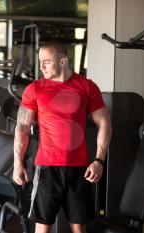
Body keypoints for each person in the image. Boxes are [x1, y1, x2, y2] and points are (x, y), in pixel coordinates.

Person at [13, 40, 112, 233]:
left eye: (47, 61)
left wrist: (99, 160)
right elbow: (22, 127)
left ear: (63, 62)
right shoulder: (34, 89)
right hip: (47, 168)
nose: (41, 66)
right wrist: (18, 163)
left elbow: (105, 123)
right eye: (40, 61)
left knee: (79, 227)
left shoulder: (86, 86)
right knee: (43, 226)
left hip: (79, 168)